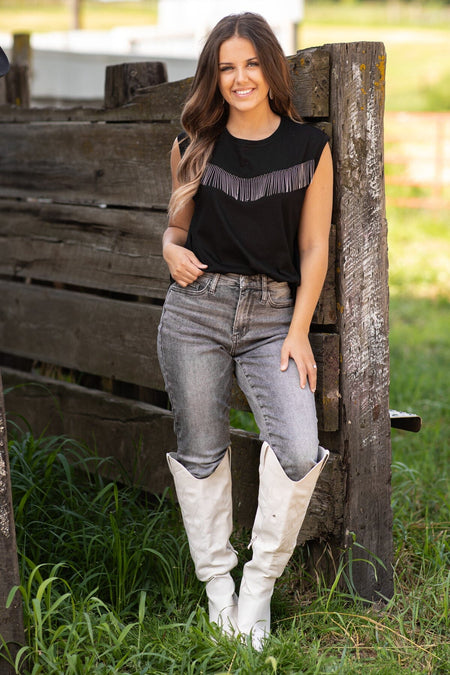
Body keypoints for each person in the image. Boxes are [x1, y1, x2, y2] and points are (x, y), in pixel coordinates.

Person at [157, 12, 333, 651]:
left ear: (271, 68)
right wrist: (167, 249)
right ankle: (218, 591)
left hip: (272, 320)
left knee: (297, 449)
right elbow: (177, 234)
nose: (240, 78)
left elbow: (314, 248)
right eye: (227, 67)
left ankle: (258, 588)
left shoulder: (309, 148)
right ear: (214, 75)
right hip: (196, 314)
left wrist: (298, 329)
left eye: (251, 64)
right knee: (201, 454)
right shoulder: (193, 143)